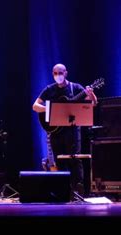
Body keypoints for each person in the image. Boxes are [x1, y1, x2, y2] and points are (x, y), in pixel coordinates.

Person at [32, 63, 97, 196]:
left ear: (66, 73)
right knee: (59, 160)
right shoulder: (49, 89)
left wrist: (91, 94)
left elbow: (93, 104)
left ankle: (78, 192)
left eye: (60, 73)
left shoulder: (75, 87)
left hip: (72, 130)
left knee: (75, 159)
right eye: (55, 73)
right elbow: (35, 106)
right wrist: (50, 109)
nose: (58, 76)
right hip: (56, 131)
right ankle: (63, 192)